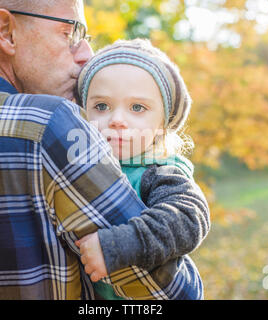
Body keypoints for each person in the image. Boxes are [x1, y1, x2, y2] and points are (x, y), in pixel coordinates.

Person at [0, 0, 205, 299]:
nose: (86, 54)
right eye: (70, 33)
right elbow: (170, 292)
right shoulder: (50, 124)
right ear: (5, 30)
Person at [74, 39, 210, 300]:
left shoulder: (160, 171)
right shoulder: (77, 168)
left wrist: (118, 245)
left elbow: (188, 217)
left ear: (162, 122)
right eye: (101, 106)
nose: (116, 120)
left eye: (137, 107)